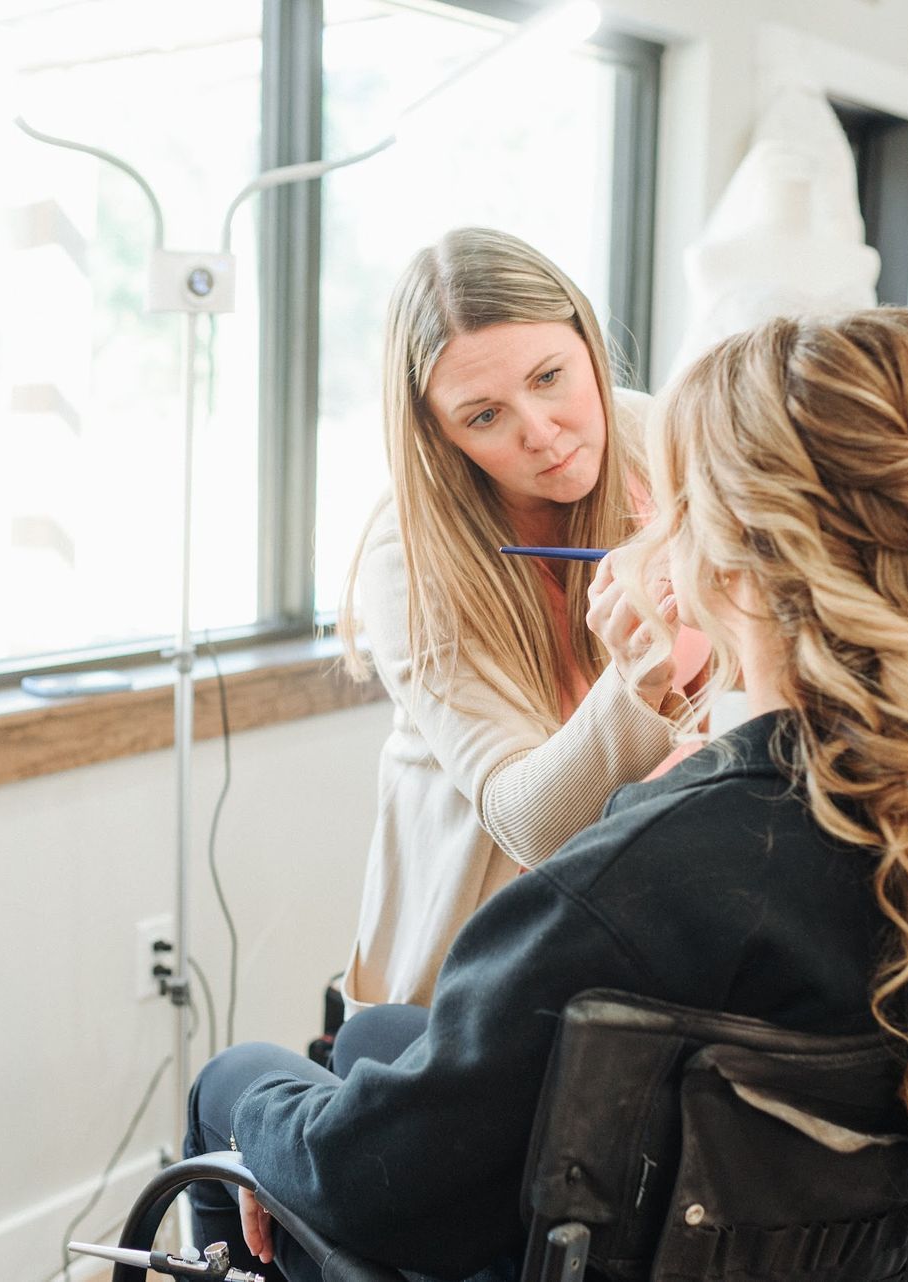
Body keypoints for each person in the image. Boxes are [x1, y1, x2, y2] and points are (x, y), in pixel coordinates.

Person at [185, 309, 908, 1281]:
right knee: (371, 1036)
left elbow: (360, 1186)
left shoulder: (639, 884)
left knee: (237, 1083)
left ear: (727, 560)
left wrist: (254, 1107)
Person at [337, 227, 707, 1011]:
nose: (541, 433)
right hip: (477, 964)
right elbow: (525, 821)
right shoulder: (408, 557)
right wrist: (638, 679)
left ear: (587, 340)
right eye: (483, 417)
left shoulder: (659, 445)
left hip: (642, 925)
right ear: (437, 432)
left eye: (550, 376)